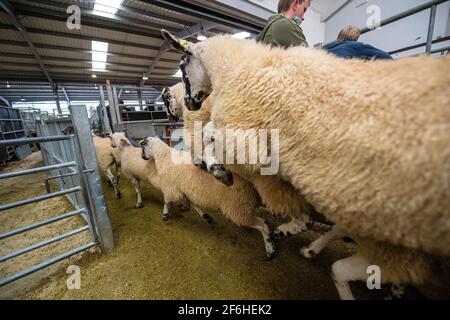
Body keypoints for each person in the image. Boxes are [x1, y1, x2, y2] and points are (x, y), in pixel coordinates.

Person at [327, 26, 393, 60]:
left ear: (339, 35)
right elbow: (387, 57)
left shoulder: (327, 49)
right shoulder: (357, 46)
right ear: (356, 36)